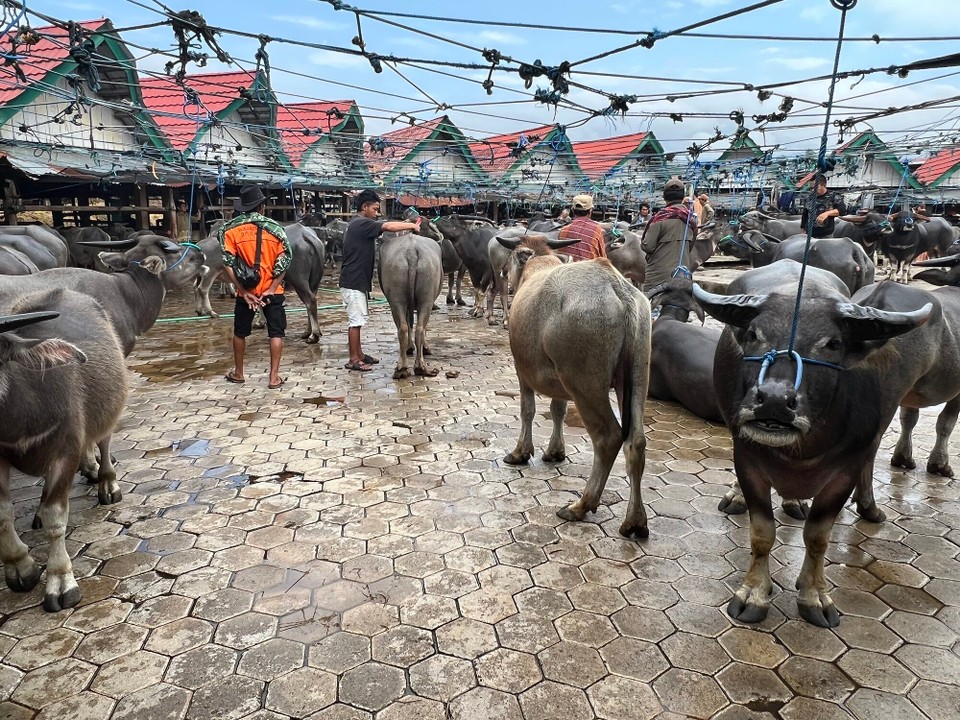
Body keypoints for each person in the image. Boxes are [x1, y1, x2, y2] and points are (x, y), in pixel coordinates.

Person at [340, 189, 422, 372]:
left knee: (358, 320)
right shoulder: (362, 223)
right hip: (353, 281)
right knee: (355, 321)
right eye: (375, 209)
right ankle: (353, 359)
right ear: (364, 207)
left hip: (356, 280)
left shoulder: (358, 224)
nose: (376, 213)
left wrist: (405, 223)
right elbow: (388, 227)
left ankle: (359, 354)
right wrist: (411, 227)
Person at [219, 184, 292, 389]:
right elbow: (285, 260)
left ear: (242, 208)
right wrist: (272, 287)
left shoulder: (230, 231)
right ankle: (274, 377)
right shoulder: (277, 230)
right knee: (276, 333)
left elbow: (228, 263)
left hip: (247, 293)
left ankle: (239, 373)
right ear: (262, 207)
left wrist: (243, 291)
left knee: (240, 332)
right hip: (272, 291)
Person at [641, 177, 699, 288]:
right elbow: (690, 247)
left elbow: (647, 246)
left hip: (658, 278)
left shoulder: (659, 219)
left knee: (648, 303)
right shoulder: (691, 221)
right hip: (682, 276)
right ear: (683, 197)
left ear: (664, 197)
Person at [557, 194, 607, 261]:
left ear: (573, 210)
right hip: (587, 269)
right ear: (590, 211)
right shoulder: (596, 230)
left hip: (566, 269)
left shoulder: (563, 230)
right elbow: (603, 257)